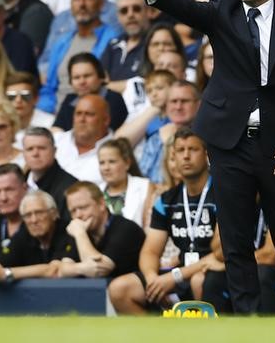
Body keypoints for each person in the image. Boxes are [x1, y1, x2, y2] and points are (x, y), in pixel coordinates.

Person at [121, 0, 275, 313]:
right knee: (235, 241)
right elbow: (181, 6)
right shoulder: (222, 10)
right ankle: (247, 326)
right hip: (228, 144)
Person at [108, 128, 219, 314]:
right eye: (180, 151)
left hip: (211, 270)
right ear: (172, 156)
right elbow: (150, 251)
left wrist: (173, 277)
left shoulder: (222, 193)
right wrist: (153, 279)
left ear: (206, 154)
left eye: (192, 149)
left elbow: (223, 252)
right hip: (181, 273)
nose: (185, 156)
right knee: (120, 289)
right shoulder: (167, 200)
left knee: (200, 280)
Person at [38, 0, 122, 114]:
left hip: (93, 112)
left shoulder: (114, 38)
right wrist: (44, 112)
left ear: (101, 4)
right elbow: (49, 87)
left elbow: (108, 84)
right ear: (71, 5)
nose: (82, 4)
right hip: (55, 114)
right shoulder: (62, 41)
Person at [0, 190, 68, 285]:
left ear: (54, 213)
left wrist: (6, 274)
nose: (33, 220)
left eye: (39, 213)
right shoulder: (24, 233)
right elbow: (0, 264)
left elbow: (54, 270)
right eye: (28, 215)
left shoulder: (67, 231)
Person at [56, 182, 146, 279]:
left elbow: (98, 272)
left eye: (83, 207)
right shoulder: (80, 229)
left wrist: (80, 234)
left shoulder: (125, 228)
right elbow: (62, 271)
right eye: (73, 211)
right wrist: (82, 268)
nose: (78, 215)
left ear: (102, 204)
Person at [52, 53, 128, 133]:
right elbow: (57, 129)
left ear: (100, 77)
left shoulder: (114, 99)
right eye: (76, 77)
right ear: (71, 82)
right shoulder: (70, 100)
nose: (82, 82)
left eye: (87, 76)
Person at [52, 94, 113, 187]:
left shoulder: (117, 152)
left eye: (89, 114)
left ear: (106, 120)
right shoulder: (55, 141)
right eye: (78, 113)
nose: (82, 119)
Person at [22, 127, 78, 220]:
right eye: (30, 149)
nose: (35, 153)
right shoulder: (18, 183)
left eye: (41, 148)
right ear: (23, 153)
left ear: (54, 151)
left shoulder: (71, 188)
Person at [98, 138, 153, 228]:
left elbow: (150, 228)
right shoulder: (95, 192)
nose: (106, 168)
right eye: (102, 163)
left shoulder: (145, 186)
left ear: (127, 163)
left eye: (112, 162)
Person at [5, 72, 54, 146]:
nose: (18, 100)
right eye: (12, 96)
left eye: (25, 96)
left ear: (36, 98)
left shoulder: (50, 124)